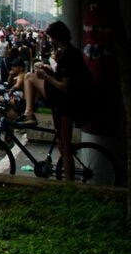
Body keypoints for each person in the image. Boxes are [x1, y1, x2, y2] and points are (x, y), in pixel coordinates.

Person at [14, 20, 96, 178]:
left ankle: (69, 182)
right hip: (63, 102)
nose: (50, 41)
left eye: (51, 38)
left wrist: (45, 76)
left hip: (66, 104)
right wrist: (49, 71)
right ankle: (29, 113)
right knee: (61, 144)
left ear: (57, 37)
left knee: (65, 147)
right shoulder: (68, 52)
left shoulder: (68, 55)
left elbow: (65, 86)